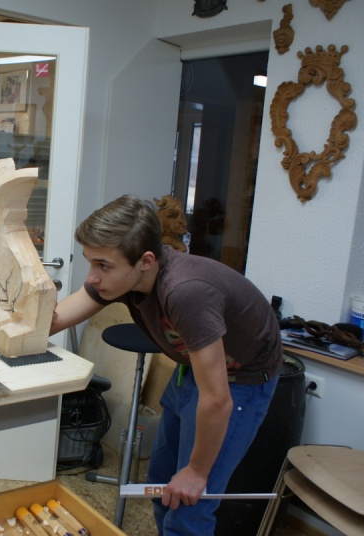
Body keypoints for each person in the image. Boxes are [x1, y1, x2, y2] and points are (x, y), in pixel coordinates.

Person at [51, 195, 282, 535]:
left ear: (145, 260)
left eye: (103, 265)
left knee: (189, 504)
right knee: (161, 483)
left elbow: (217, 400)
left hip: (240, 382)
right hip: (190, 369)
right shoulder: (124, 277)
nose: (93, 277)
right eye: (90, 262)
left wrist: (197, 472)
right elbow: (57, 320)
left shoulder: (186, 292)